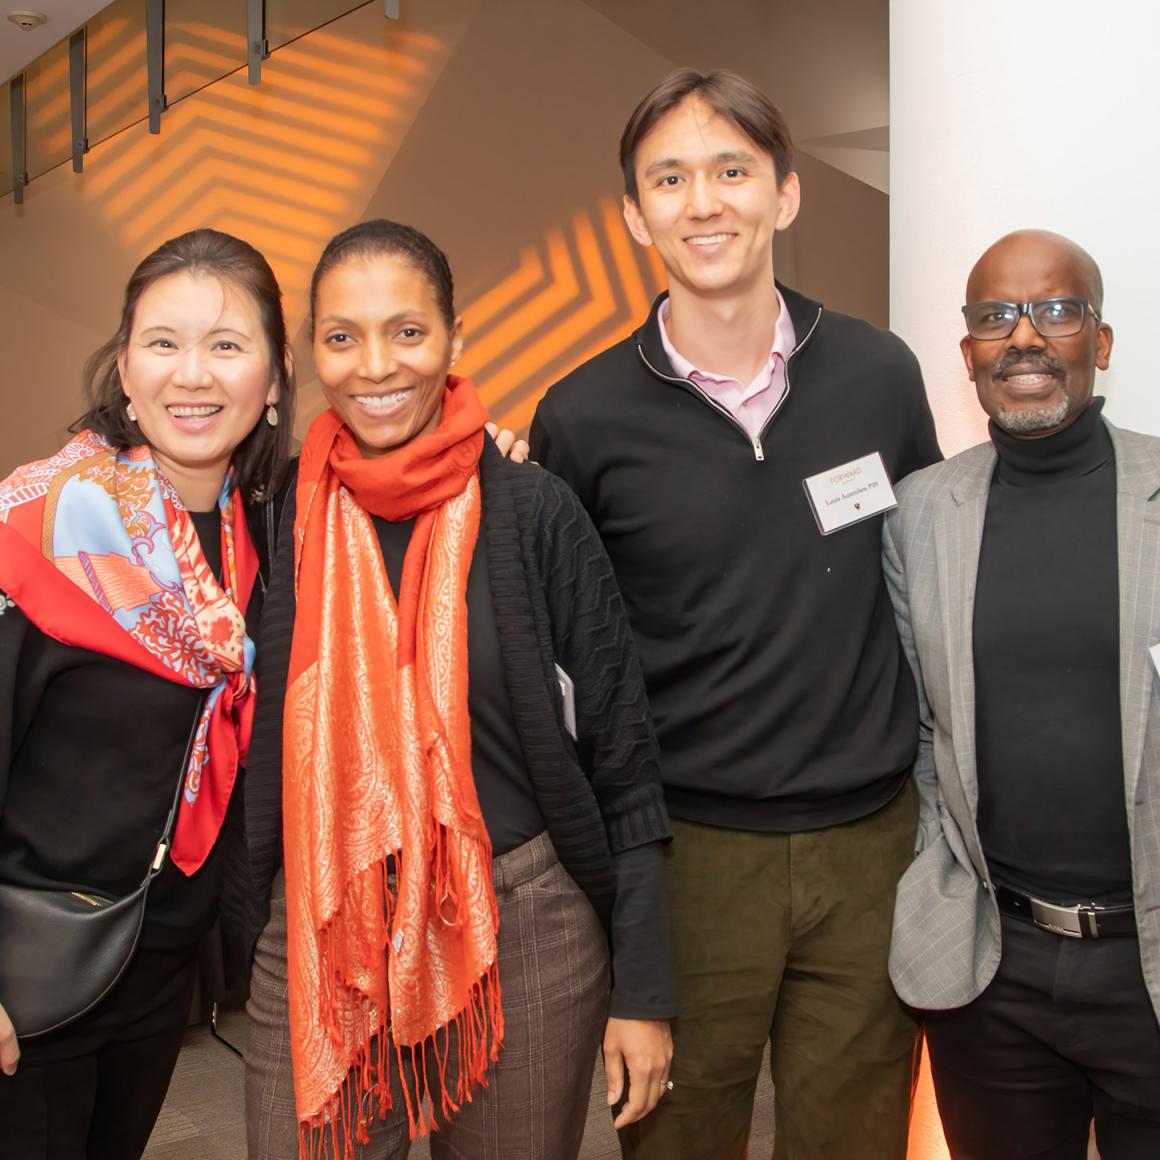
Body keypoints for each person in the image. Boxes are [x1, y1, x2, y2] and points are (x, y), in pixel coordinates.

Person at [528, 68, 942, 1160]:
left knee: (854, 1137)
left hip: (871, 851)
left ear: (784, 194)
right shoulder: (581, 416)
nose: (702, 202)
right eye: (668, 178)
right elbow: (577, 664)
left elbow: (923, 582)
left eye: (729, 170)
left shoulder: (877, 373)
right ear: (631, 216)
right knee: (676, 1137)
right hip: (689, 854)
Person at [241, 219, 675, 1160]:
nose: (374, 365)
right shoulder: (277, 513)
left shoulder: (532, 510)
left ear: (455, 339)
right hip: (323, 925)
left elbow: (625, 763)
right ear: (310, 350)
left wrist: (643, 991)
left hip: (518, 929)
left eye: (407, 331)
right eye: (341, 336)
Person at [0, 228, 294, 1159]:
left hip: (165, 960)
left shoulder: (270, 533)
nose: (192, 374)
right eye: (163, 342)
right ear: (124, 369)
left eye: (227, 344)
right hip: (28, 966)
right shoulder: (40, 527)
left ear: (275, 377)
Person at [885, 229, 1160, 1158]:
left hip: (1149, 959)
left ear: (1102, 341)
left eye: (1057, 310)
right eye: (995, 317)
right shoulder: (922, 512)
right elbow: (921, 725)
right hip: (994, 971)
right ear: (968, 357)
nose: (1025, 338)